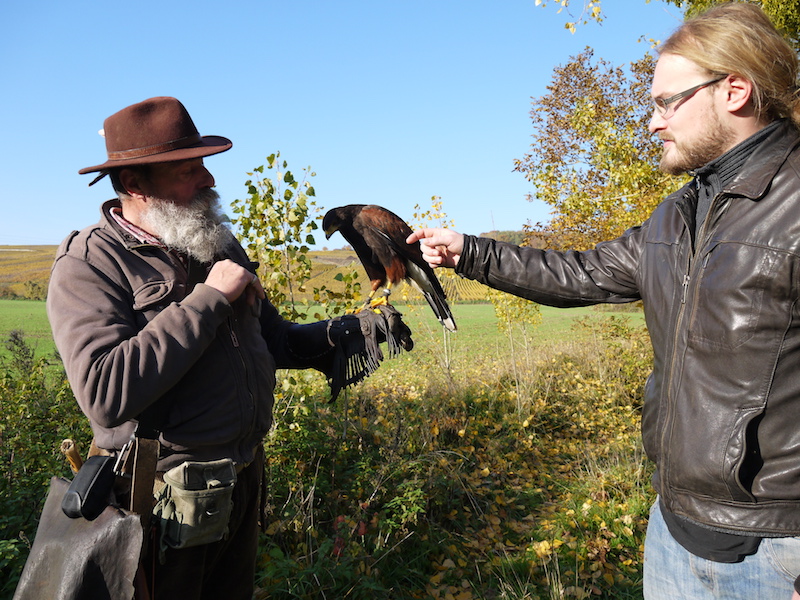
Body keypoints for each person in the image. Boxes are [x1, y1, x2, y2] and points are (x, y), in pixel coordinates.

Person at [408, 4, 800, 599]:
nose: (653, 123)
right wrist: (469, 251)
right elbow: (580, 274)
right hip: (674, 531)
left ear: (735, 91)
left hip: (778, 548)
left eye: (666, 103)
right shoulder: (679, 213)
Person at [46, 96, 409, 599]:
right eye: (189, 170)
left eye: (204, 165)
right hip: (162, 504)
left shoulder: (214, 245)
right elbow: (105, 393)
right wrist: (210, 298)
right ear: (134, 184)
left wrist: (345, 332)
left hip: (239, 483)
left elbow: (272, 339)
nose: (209, 179)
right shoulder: (89, 263)